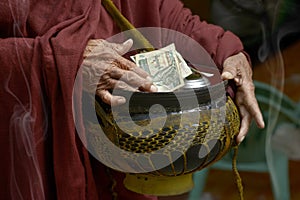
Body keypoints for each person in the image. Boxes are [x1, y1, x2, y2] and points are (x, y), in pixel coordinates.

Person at [0, 0, 264, 199]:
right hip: (28, 151)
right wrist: (62, 59)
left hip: (118, 151)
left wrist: (226, 52)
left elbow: (159, 10)